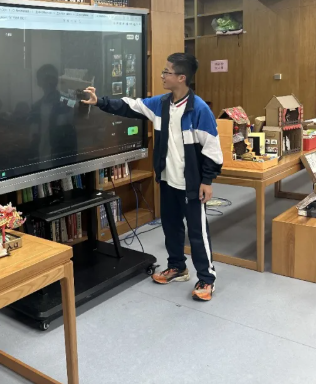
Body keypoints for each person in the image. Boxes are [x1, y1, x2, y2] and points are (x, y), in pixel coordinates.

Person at [82, 53, 222, 301]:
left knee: (197, 232)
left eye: (167, 72)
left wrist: (207, 181)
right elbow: (130, 105)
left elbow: (212, 149)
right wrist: (99, 102)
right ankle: (177, 267)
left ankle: (206, 278)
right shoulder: (160, 104)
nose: (162, 75)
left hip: (192, 185)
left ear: (182, 77)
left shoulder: (199, 109)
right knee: (171, 227)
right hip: (168, 181)